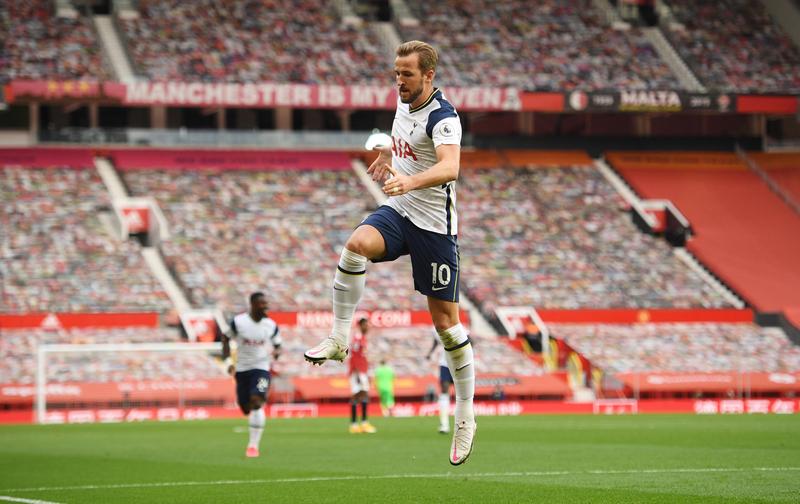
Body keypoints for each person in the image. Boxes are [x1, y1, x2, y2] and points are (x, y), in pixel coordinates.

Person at [304, 40, 476, 465]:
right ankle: (339, 338)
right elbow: (405, 143)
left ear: (429, 76)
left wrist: (409, 182)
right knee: (356, 244)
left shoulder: (444, 117)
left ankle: (466, 415)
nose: (399, 81)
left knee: (447, 328)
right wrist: (387, 152)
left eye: (407, 75)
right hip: (400, 211)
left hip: (435, 227)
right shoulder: (403, 103)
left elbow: (450, 168)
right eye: (396, 73)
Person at [221, 292, 282, 458]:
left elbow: (278, 344)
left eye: (266, 304)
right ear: (253, 305)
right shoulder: (239, 322)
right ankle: (251, 416)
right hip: (242, 369)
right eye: (262, 304)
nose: (265, 307)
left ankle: (253, 446)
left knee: (257, 401)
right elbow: (225, 339)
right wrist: (228, 363)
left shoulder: (270, 325)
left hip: (261, 368)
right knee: (245, 408)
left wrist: (277, 352)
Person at [348, 317, 377, 434]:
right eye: (365, 325)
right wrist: (358, 372)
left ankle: (358, 424)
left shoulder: (362, 338)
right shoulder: (358, 338)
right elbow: (354, 356)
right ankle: (358, 424)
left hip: (361, 371)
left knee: (362, 396)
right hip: (358, 372)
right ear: (360, 326)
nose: (368, 327)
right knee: (360, 395)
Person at [426, 328, 453, 434]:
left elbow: (470, 341)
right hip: (445, 364)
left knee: (463, 393)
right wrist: (430, 353)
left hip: (459, 363)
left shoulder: (458, 325)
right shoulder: (435, 328)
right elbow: (436, 341)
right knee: (444, 392)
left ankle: (466, 423)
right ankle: (444, 424)